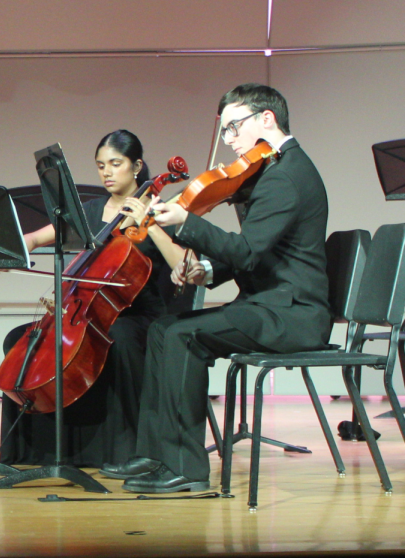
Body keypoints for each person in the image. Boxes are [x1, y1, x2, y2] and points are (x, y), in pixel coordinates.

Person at [106, 83, 330, 493]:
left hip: (293, 314)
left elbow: (246, 253)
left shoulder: (287, 177)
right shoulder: (272, 171)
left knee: (180, 335)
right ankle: (156, 453)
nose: (228, 141)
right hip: (269, 306)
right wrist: (205, 270)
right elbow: (257, 252)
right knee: (163, 329)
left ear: (267, 120)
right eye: (224, 131)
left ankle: (185, 468)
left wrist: (185, 223)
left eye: (234, 128)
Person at [0, 130, 187, 468]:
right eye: (101, 166)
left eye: (116, 164)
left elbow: (183, 265)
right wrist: (17, 247)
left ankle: (130, 449)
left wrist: (150, 223)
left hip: (136, 315)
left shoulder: (162, 210)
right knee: (18, 340)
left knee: (121, 341)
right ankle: (35, 450)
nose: (107, 172)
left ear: (137, 166)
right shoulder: (94, 209)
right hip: (87, 311)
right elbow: (40, 236)